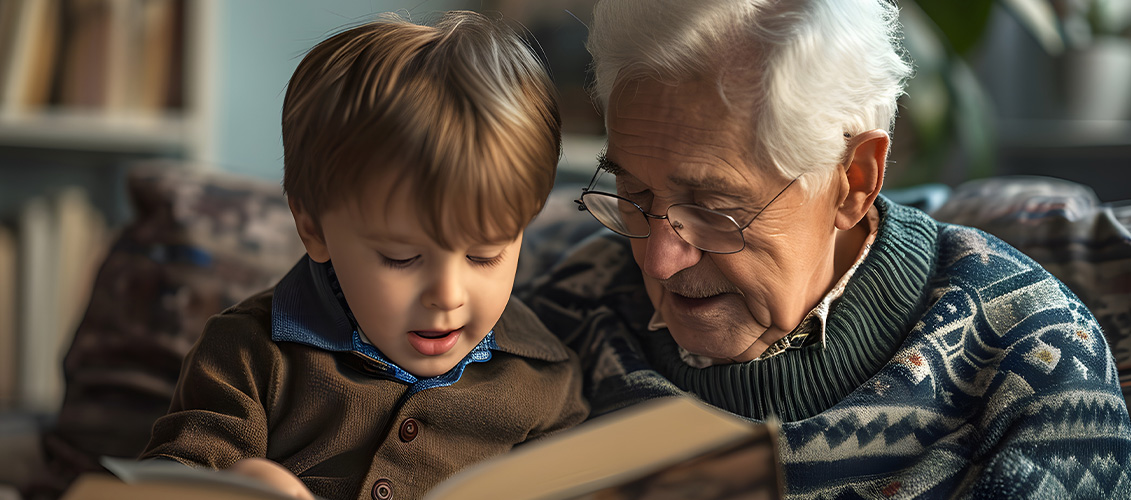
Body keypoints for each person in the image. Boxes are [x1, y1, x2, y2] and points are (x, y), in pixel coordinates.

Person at [521, 0, 1131, 497]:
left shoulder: (1032, 359)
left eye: (711, 211)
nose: (659, 259)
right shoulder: (565, 320)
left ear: (854, 181)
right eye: (633, 195)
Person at [140, 11, 588, 500]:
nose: (447, 295)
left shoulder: (547, 380)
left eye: (485, 255)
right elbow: (171, 480)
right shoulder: (247, 355)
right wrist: (239, 486)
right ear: (313, 227)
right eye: (400, 258)